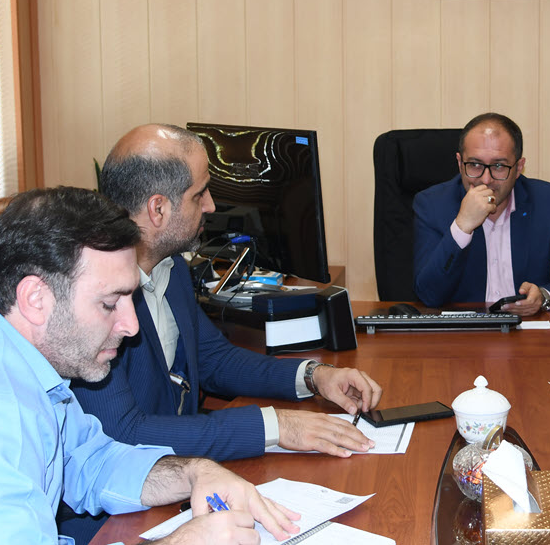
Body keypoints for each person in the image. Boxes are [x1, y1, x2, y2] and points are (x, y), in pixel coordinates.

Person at [0, 187, 301, 545]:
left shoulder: (18, 355)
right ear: (35, 299)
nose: (131, 325)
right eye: (109, 304)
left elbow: (91, 461)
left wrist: (195, 473)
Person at [64, 124, 381, 543]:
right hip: (113, 520)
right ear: (158, 209)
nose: (212, 206)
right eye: (200, 195)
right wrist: (274, 426)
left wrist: (312, 376)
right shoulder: (94, 300)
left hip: (181, 489)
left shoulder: (171, 267)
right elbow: (126, 433)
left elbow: (214, 358)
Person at [413, 113, 550, 315]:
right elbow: (429, 294)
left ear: (519, 168)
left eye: (498, 166)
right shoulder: (432, 205)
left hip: (528, 330)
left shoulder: (548, 202)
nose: (486, 180)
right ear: (459, 163)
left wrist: (544, 297)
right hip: (467, 330)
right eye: (475, 164)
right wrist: (462, 227)